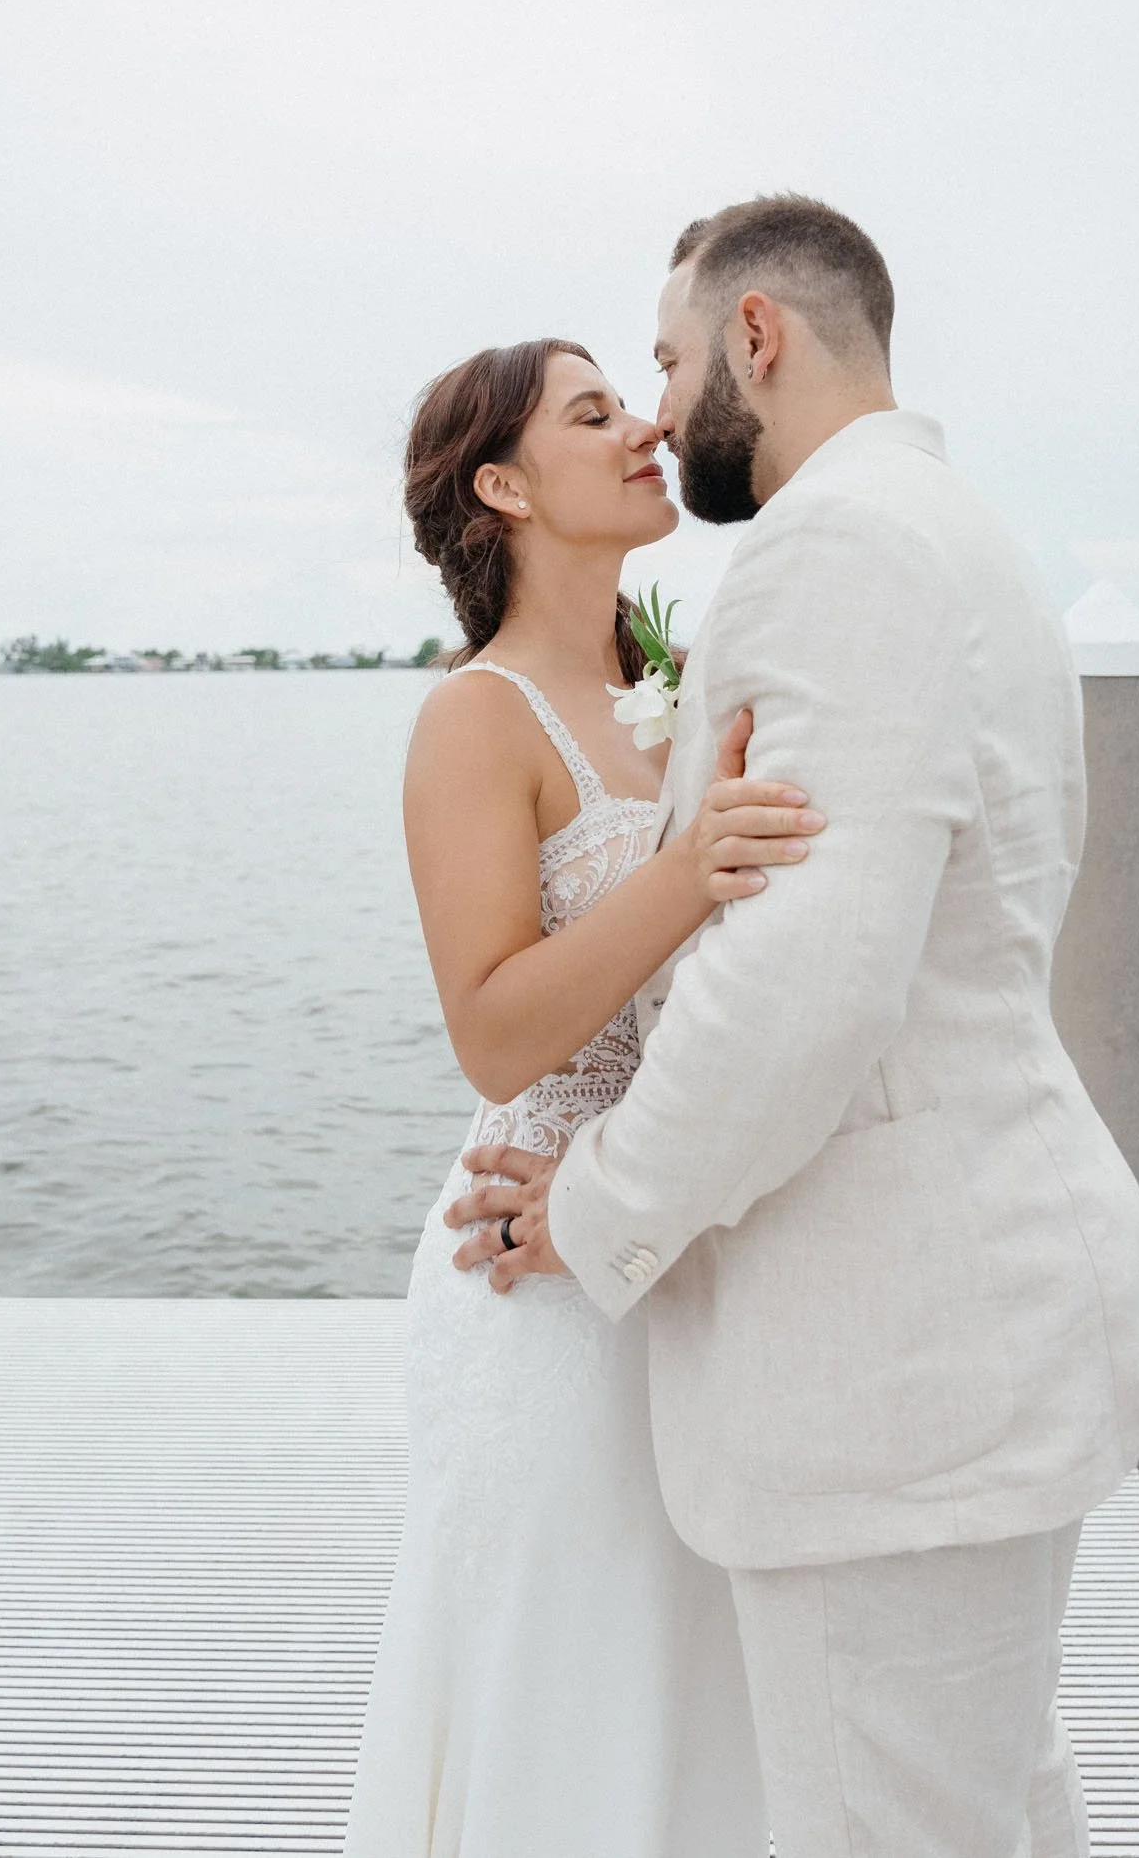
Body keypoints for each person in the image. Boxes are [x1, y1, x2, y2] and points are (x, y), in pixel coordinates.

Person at [448, 195, 1139, 1858]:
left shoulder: (832, 547)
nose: (658, 410)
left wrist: (586, 1210)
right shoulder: (950, 527)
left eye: (663, 360)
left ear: (757, 337)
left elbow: (802, 995)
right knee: (982, 1808)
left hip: (893, 1364)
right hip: (957, 1335)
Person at [341, 335, 824, 1857]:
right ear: (502, 484)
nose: (646, 429)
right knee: (568, 1672)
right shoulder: (475, 719)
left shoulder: (677, 682)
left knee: (699, 1682)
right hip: (534, 1272)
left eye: (633, 400)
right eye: (594, 414)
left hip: (683, 1235)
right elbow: (490, 1036)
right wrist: (686, 874)